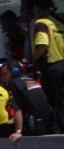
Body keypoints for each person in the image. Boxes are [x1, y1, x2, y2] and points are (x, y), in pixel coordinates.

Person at [31, 2, 64, 133]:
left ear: (39, 9)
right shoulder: (59, 22)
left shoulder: (41, 23)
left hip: (52, 66)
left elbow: (42, 44)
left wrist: (32, 59)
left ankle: (56, 129)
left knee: (52, 101)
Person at [0, 58, 52, 139]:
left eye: (5, 74)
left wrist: (18, 132)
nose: (3, 78)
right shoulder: (30, 79)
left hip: (35, 127)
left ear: (14, 72)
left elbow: (17, 109)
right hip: (49, 124)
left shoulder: (14, 83)